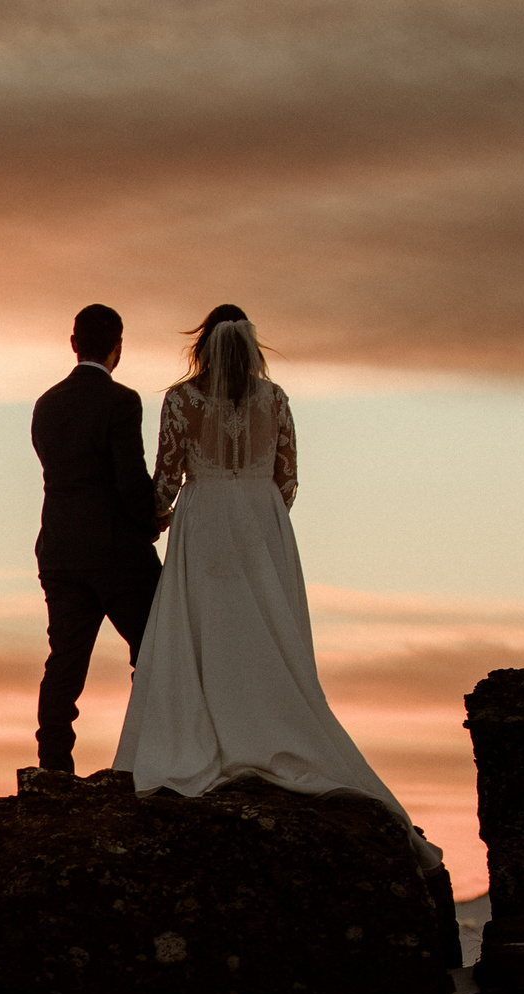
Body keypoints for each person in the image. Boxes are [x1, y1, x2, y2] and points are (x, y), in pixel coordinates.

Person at [111, 305, 441, 868]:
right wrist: (260, 513)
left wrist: (160, 516)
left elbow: (167, 476)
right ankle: (268, 722)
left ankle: (211, 730)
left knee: (206, 624)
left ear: (204, 344)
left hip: (206, 520)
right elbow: (287, 478)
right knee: (263, 629)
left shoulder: (182, 399)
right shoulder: (276, 399)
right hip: (263, 523)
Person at [28, 303, 164, 775]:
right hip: (118, 551)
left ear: (73, 344)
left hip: (61, 550)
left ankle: (53, 768)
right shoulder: (122, 402)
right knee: (155, 650)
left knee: (64, 661)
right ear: (117, 347)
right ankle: (156, 755)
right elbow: (128, 477)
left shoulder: (46, 404)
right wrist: (151, 523)